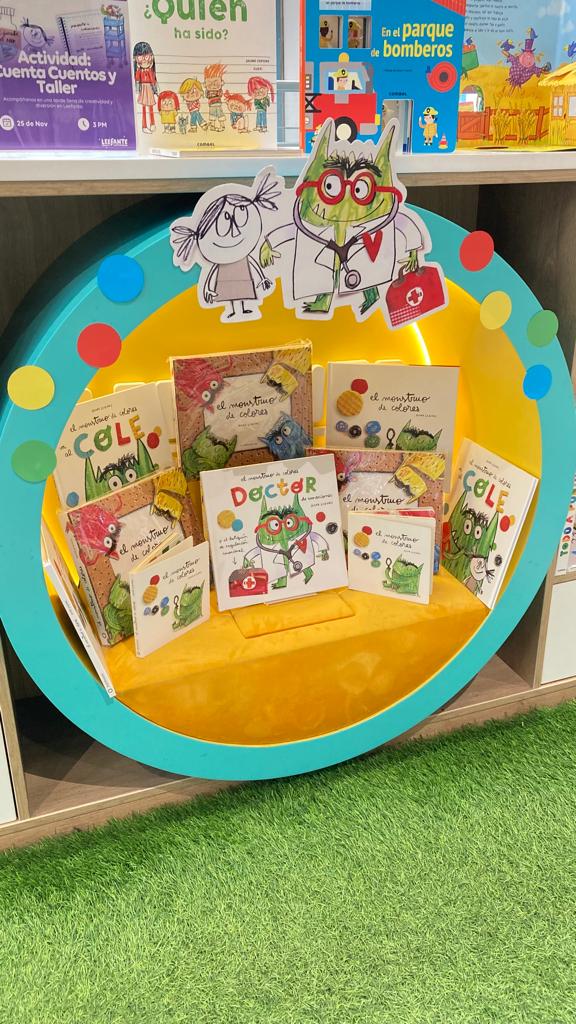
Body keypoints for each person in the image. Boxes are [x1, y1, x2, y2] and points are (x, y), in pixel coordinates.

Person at [170, 172, 280, 322]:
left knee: (242, 291)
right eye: (224, 225)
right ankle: (234, 310)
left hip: (244, 278)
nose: (234, 232)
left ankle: (242, 308)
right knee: (231, 293)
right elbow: (212, 271)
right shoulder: (219, 259)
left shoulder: (243, 254)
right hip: (226, 280)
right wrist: (207, 288)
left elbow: (254, 264)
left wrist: (262, 278)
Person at [133, 41, 157, 135]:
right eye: (140, 57)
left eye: (146, 56)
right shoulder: (139, 71)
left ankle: (152, 123)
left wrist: (155, 89)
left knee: (150, 107)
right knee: (143, 108)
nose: (144, 59)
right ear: (136, 59)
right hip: (143, 89)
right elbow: (137, 79)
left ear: (151, 56)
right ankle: (144, 126)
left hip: (149, 88)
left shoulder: (150, 70)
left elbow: (153, 80)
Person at [204, 63, 226, 131]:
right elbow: (207, 96)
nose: (213, 85)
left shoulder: (219, 90)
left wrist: (220, 87)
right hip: (211, 105)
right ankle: (212, 126)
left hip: (218, 104)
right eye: (210, 83)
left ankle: (222, 126)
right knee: (212, 115)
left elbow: (220, 94)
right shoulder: (208, 91)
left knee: (220, 115)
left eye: (216, 83)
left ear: (221, 82)